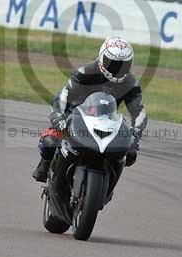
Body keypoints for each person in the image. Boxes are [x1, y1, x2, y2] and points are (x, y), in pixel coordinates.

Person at [32, 36, 148, 182]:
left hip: (107, 121)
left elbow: (139, 111)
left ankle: (108, 182)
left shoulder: (130, 83)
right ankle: (45, 165)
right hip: (74, 118)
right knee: (50, 141)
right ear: (101, 58)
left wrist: (134, 134)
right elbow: (62, 97)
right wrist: (59, 117)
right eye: (113, 63)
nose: (118, 69)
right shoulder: (85, 72)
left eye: (123, 65)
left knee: (129, 154)